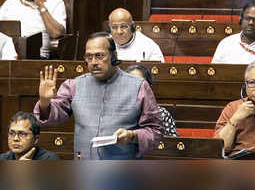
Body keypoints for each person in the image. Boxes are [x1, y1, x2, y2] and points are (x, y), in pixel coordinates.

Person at [33, 32, 163, 160]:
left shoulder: (139, 86)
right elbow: (53, 117)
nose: (93, 62)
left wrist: (133, 136)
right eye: (89, 57)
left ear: (114, 56)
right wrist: (45, 102)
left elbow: (155, 131)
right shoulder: (74, 85)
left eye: (99, 56)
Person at [0, 0, 66, 59]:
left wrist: (40, 5)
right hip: (6, 56)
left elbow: (56, 33)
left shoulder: (55, 2)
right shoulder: (9, 3)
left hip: (36, 58)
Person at [126, 64, 179, 137]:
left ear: (149, 88)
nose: (135, 88)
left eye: (139, 84)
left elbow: (172, 144)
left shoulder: (162, 114)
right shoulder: (116, 112)